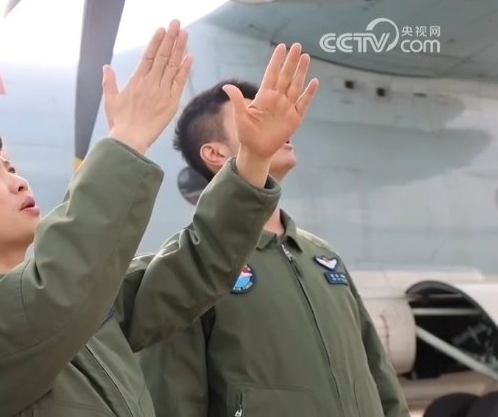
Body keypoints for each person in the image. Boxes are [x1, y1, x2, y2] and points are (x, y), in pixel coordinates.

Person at [0, 19, 317, 416]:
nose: (19, 182)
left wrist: (253, 160)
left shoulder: (87, 301)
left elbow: (196, 265)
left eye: (11, 168)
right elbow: (52, 296)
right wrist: (126, 140)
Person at [137, 44, 410, 417]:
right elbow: (173, 400)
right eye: (254, 116)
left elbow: (377, 372)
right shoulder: (190, 267)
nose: (278, 125)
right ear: (215, 154)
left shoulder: (322, 257)